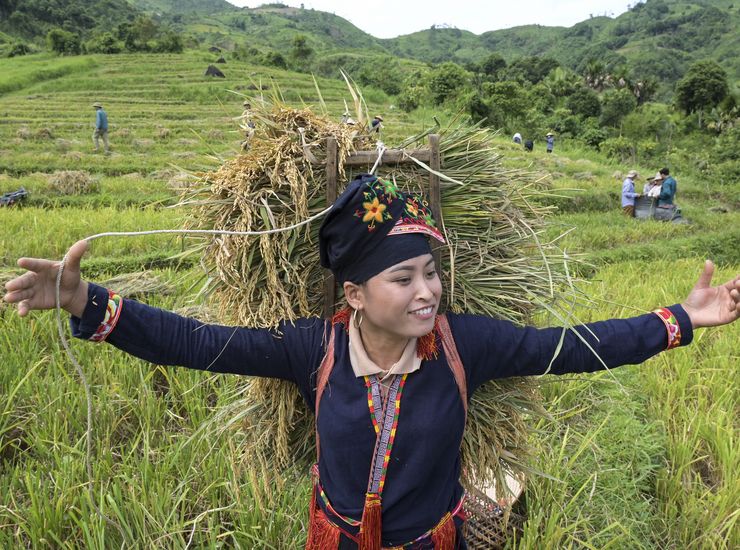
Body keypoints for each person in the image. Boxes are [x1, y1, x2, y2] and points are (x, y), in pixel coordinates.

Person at [4, 174, 739, 549]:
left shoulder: (463, 346)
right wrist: (86, 303)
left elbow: (572, 346)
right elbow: (199, 344)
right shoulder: (311, 349)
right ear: (354, 293)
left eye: (430, 271)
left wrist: (680, 319)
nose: (428, 291)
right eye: (404, 278)